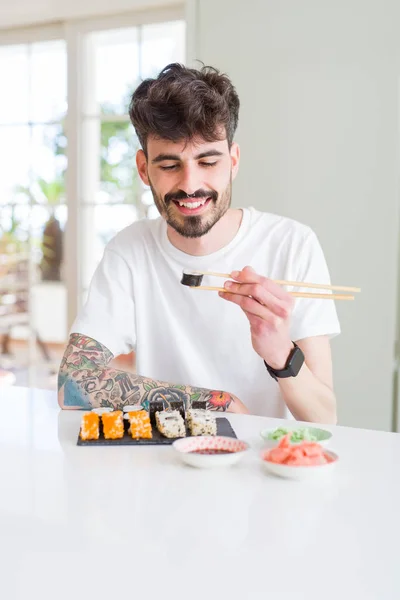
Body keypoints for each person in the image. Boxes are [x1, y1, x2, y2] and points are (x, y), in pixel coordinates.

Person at [58, 63, 340, 422]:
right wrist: (218, 402)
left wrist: (280, 352)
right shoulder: (129, 250)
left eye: (207, 161)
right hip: (164, 465)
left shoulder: (292, 244)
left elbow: (325, 419)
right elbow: (72, 382)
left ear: (233, 161)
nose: (190, 184)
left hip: (262, 466)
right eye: (169, 165)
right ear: (144, 169)